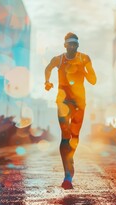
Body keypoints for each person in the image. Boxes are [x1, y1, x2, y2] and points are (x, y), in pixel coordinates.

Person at [44, 32, 97, 189]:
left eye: (75, 44)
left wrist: (84, 71)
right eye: (70, 44)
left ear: (78, 46)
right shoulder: (58, 59)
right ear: (65, 46)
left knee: (74, 136)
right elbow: (48, 68)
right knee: (65, 136)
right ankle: (67, 174)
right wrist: (47, 82)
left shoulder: (84, 58)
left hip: (79, 103)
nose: (72, 47)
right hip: (63, 101)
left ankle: (70, 158)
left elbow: (93, 81)